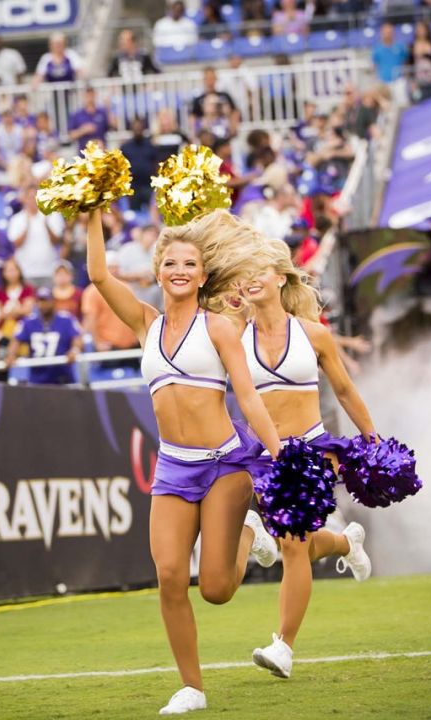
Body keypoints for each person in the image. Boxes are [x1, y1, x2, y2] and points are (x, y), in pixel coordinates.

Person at [84, 208, 282, 714]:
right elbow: (98, 275)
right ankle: (192, 686)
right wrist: (91, 217)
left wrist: (280, 453)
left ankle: (245, 532)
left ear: (202, 275)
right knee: (170, 575)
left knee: (215, 589)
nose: (179, 270)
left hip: (223, 465)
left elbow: (249, 398)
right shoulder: (144, 323)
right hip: (173, 467)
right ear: (157, 271)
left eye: (189, 263)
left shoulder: (218, 327)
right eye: (170, 261)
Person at [236, 238, 375, 679]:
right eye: (246, 272)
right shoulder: (233, 337)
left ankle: (284, 646)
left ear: (281, 278)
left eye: (261, 270)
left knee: (293, 548)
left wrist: (371, 439)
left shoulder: (313, 334)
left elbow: (346, 390)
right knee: (293, 544)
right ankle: (345, 542)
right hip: (262, 456)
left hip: (310, 451)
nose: (252, 279)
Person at [6, 287, 85, 385]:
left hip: (63, 377)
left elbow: (77, 338)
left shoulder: (66, 319)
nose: (43, 305)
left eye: (46, 301)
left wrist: (74, 350)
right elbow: (16, 340)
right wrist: (11, 355)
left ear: (53, 301)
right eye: (40, 301)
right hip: (37, 379)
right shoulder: (29, 322)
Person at [8, 185, 67, 288]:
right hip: (25, 271)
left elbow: (57, 241)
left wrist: (47, 225)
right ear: (24, 199)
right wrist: (26, 226)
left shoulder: (52, 215)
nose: (32, 201)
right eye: (29, 197)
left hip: (49, 270)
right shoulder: (17, 219)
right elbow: (15, 243)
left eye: (35, 197)